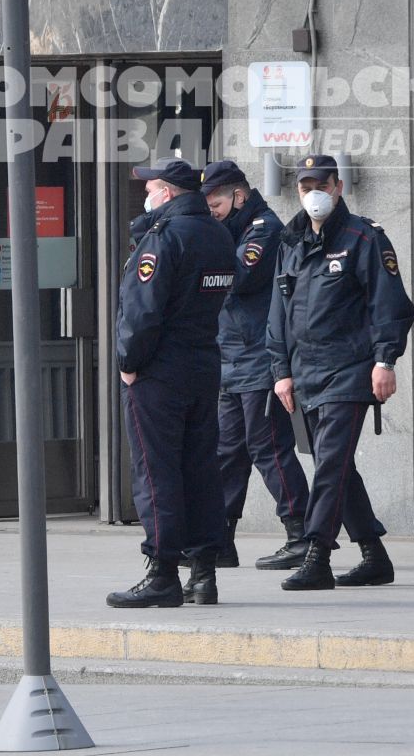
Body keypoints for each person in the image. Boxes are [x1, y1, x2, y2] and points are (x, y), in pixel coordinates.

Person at [267, 154, 414, 591]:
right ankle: (374, 553)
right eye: (304, 184)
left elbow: (389, 306)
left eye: (320, 183)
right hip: (305, 374)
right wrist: (281, 371)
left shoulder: (364, 238)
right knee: (337, 466)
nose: (312, 192)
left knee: (330, 464)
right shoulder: (291, 241)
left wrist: (385, 361)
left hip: (351, 370)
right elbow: (278, 313)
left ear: (338, 186)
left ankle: (317, 555)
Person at [106, 157, 239, 609]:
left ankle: (162, 571)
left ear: (167, 192)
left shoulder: (163, 239)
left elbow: (144, 311)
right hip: (204, 363)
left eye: (151, 187)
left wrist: (128, 361)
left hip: (160, 369)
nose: (147, 194)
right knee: (200, 468)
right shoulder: (219, 235)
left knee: (156, 468)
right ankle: (203, 573)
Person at [196, 159, 311, 585]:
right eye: (207, 206)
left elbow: (240, 276)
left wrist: (207, 246)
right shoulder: (231, 229)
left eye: (218, 203)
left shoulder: (263, 228)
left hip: (260, 357)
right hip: (231, 356)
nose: (212, 211)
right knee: (227, 450)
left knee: (268, 447)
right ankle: (220, 539)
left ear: (239, 196)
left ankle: (300, 531)